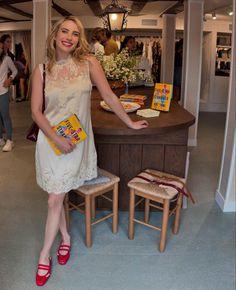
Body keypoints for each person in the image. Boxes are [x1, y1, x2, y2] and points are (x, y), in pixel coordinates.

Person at [31, 16, 148, 286]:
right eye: (64, 31)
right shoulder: (42, 70)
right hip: (51, 142)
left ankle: (45, 254)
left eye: (75, 33)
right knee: (55, 196)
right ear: (55, 34)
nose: (69, 37)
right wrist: (56, 139)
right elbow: (36, 111)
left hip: (76, 142)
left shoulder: (89, 63)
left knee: (54, 198)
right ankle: (60, 244)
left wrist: (129, 122)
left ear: (80, 38)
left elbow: (108, 96)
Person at [0, 40, 17, 152]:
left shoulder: (7, 59)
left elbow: (15, 71)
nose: (0, 50)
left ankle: (10, 140)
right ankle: (0, 138)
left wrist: (10, 79)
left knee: (5, 116)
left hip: (3, 92)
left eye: (1, 48)